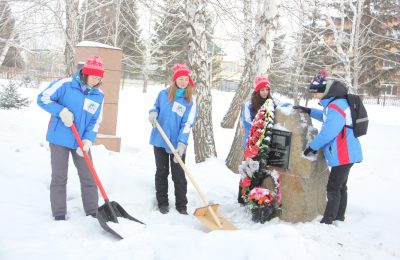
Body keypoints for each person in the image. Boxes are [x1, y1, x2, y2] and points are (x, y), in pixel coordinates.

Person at [37, 56, 105, 221]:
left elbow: (96, 121)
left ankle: (92, 212)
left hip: (81, 142)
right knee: (59, 176)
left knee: (88, 176)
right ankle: (59, 213)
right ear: (85, 74)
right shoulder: (66, 84)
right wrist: (61, 111)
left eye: (99, 78)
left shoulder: (98, 95)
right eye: (94, 76)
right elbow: (43, 98)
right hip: (59, 139)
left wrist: (88, 140)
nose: (96, 81)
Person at [293, 70, 363, 224]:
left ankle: (328, 219)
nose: (314, 96)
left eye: (316, 93)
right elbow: (328, 117)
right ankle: (339, 216)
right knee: (340, 186)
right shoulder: (336, 103)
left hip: (344, 152)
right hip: (347, 151)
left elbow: (328, 132)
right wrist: (310, 111)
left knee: (333, 187)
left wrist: (312, 147)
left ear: (324, 91)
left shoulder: (336, 105)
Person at [148, 63, 198, 215]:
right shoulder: (163, 94)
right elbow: (156, 107)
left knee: (179, 174)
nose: (183, 82)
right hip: (160, 139)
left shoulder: (190, 100)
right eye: (180, 79)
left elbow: (188, 123)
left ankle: (181, 205)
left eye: (186, 79)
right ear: (175, 79)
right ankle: (162, 203)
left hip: (177, 143)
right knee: (161, 172)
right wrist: (153, 113)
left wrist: (182, 142)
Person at [238, 76, 277, 204]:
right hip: (252, 143)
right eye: (262, 90)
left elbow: (284, 105)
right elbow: (247, 123)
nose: (265, 92)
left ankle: (256, 197)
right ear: (257, 91)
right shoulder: (249, 105)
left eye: (267, 89)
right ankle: (243, 198)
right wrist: (260, 130)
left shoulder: (272, 102)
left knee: (260, 170)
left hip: (265, 144)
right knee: (248, 171)